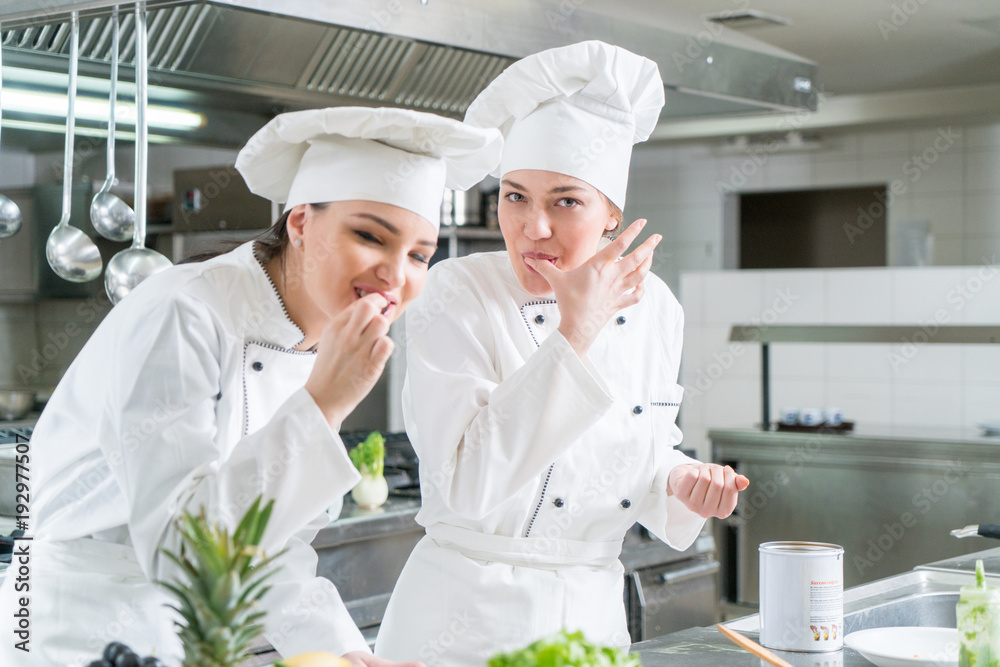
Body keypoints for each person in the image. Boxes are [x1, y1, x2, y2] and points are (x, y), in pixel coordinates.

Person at [0, 107, 501, 667]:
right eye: (369, 236)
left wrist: (344, 654)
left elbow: (269, 548)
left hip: (197, 633)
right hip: (80, 625)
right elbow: (179, 551)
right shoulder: (184, 312)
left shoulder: (316, 341)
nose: (394, 274)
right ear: (301, 224)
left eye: (418, 256)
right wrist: (324, 404)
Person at [374, 41, 750, 666]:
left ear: (612, 215)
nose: (533, 227)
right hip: (464, 623)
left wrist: (678, 480)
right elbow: (468, 481)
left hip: (590, 620)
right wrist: (576, 330)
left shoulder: (655, 306)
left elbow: (636, 447)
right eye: (515, 196)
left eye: (565, 201)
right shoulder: (456, 292)